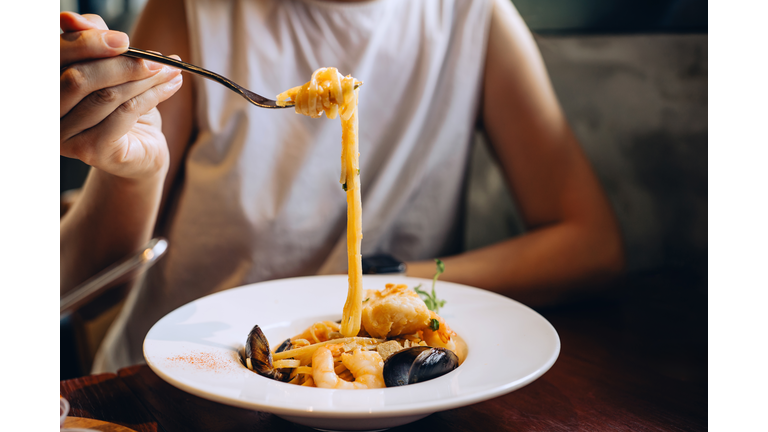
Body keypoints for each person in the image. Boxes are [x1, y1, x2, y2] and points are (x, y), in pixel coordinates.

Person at [60, 0, 624, 373]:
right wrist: (137, 172)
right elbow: (90, 290)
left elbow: (590, 244)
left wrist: (390, 288)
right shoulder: (191, 11)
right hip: (178, 381)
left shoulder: (473, 16)